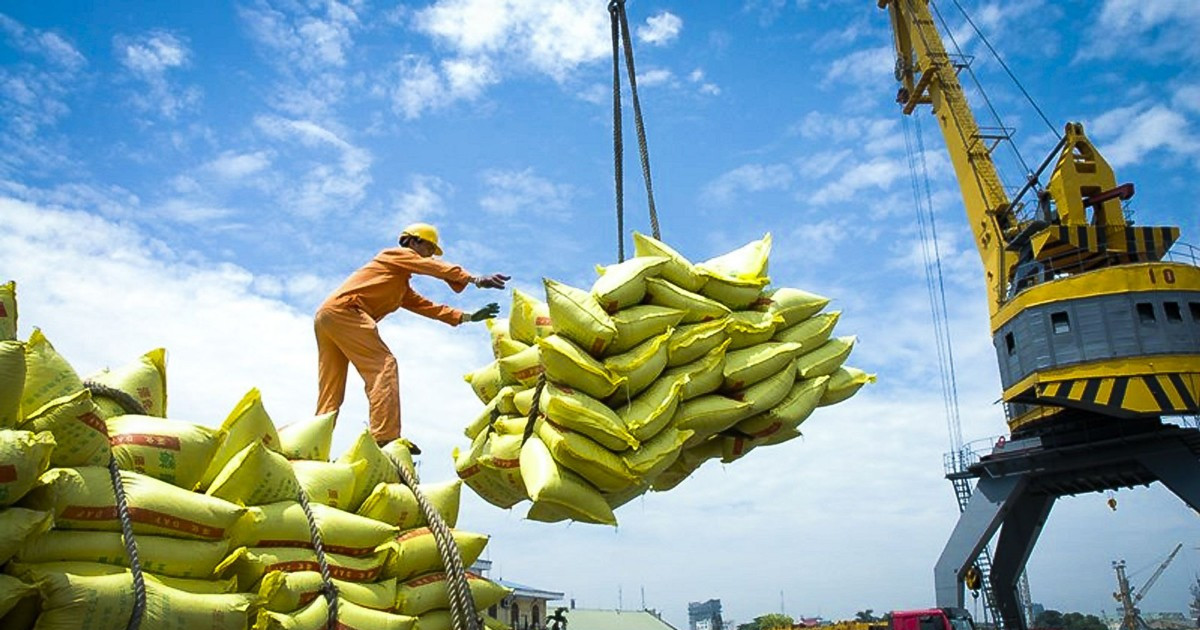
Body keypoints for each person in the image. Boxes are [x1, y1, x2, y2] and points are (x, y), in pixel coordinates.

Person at [314, 222, 509, 453]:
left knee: (331, 390)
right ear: (414, 241)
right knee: (384, 366)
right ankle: (385, 437)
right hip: (346, 312)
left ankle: (313, 442)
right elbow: (429, 267)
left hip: (328, 317)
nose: (430, 255)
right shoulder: (393, 255)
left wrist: (467, 317)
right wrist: (474, 279)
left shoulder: (398, 285)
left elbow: (429, 307)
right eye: (429, 249)